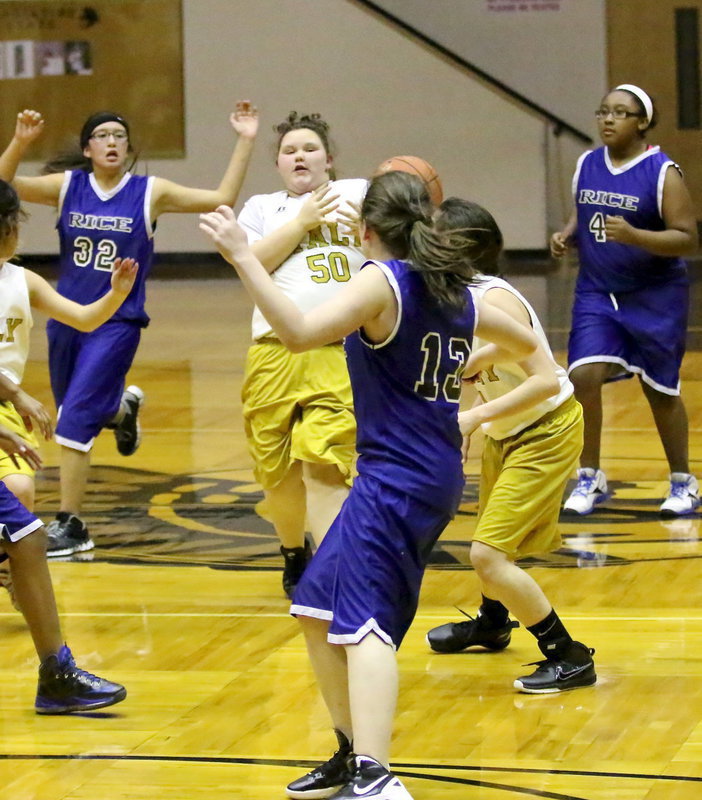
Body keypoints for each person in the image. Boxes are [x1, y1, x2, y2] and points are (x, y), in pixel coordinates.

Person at [200, 171, 551, 800]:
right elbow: (535, 352)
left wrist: (242, 255)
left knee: (362, 625)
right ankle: (347, 749)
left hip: (400, 477)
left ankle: (376, 773)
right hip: (420, 472)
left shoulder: (382, 280)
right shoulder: (452, 292)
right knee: (315, 607)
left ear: (365, 230)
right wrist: (473, 362)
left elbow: (299, 332)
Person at [0, 103, 258, 555]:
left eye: (120, 135)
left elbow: (222, 197)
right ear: (87, 148)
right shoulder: (68, 187)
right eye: (102, 135)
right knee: (79, 410)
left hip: (117, 320)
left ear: (128, 147)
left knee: (74, 418)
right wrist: (20, 141)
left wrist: (245, 139)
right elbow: (2, 188)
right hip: (69, 318)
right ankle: (121, 410)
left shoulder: (149, 192)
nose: (113, 141)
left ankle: (73, 523)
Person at [425, 198, 596, 693]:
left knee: (488, 555)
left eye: (433, 234)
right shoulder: (458, 293)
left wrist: (474, 418)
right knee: (492, 539)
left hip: (547, 430)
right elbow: (488, 362)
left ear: (458, 247)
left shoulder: (492, 299)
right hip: (509, 434)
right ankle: (493, 622)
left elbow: (545, 379)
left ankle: (568, 653)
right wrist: (469, 419)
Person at [0, 181, 130, 714]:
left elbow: (83, 316)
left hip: (4, 405)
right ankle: (56, 672)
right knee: (24, 521)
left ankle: (56, 671)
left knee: (25, 525)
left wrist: (116, 295)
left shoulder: (19, 280)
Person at [551, 84, 699, 517]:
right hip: (598, 291)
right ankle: (589, 475)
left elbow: (687, 239)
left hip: (655, 296)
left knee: (660, 390)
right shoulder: (586, 163)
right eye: (603, 112)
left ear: (642, 123)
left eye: (620, 113)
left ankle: (683, 481)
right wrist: (567, 234)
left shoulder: (662, 172)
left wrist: (635, 237)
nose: (608, 119)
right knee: (583, 377)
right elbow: (584, 212)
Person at [236, 112, 366, 597]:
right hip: (273, 352)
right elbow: (250, 264)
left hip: (340, 349)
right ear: (277, 164)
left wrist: (362, 228)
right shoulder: (262, 209)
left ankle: (333, 568)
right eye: (289, 150)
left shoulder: (359, 193)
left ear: (329, 159)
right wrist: (302, 221)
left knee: (324, 461)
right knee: (276, 469)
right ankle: (294, 549)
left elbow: (398, 246)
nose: (299, 156)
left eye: (310, 148)